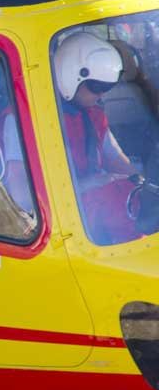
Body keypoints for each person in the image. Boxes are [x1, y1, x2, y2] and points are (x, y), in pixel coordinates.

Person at [54, 32, 141, 245]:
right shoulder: (32, 118)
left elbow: (114, 156)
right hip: (65, 219)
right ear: (69, 76)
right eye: (96, 87)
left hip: (98, 205)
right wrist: (86, 185)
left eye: (107, 87)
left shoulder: (93, 114)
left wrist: (140, 184)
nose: (102, 95)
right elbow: (22, 196)